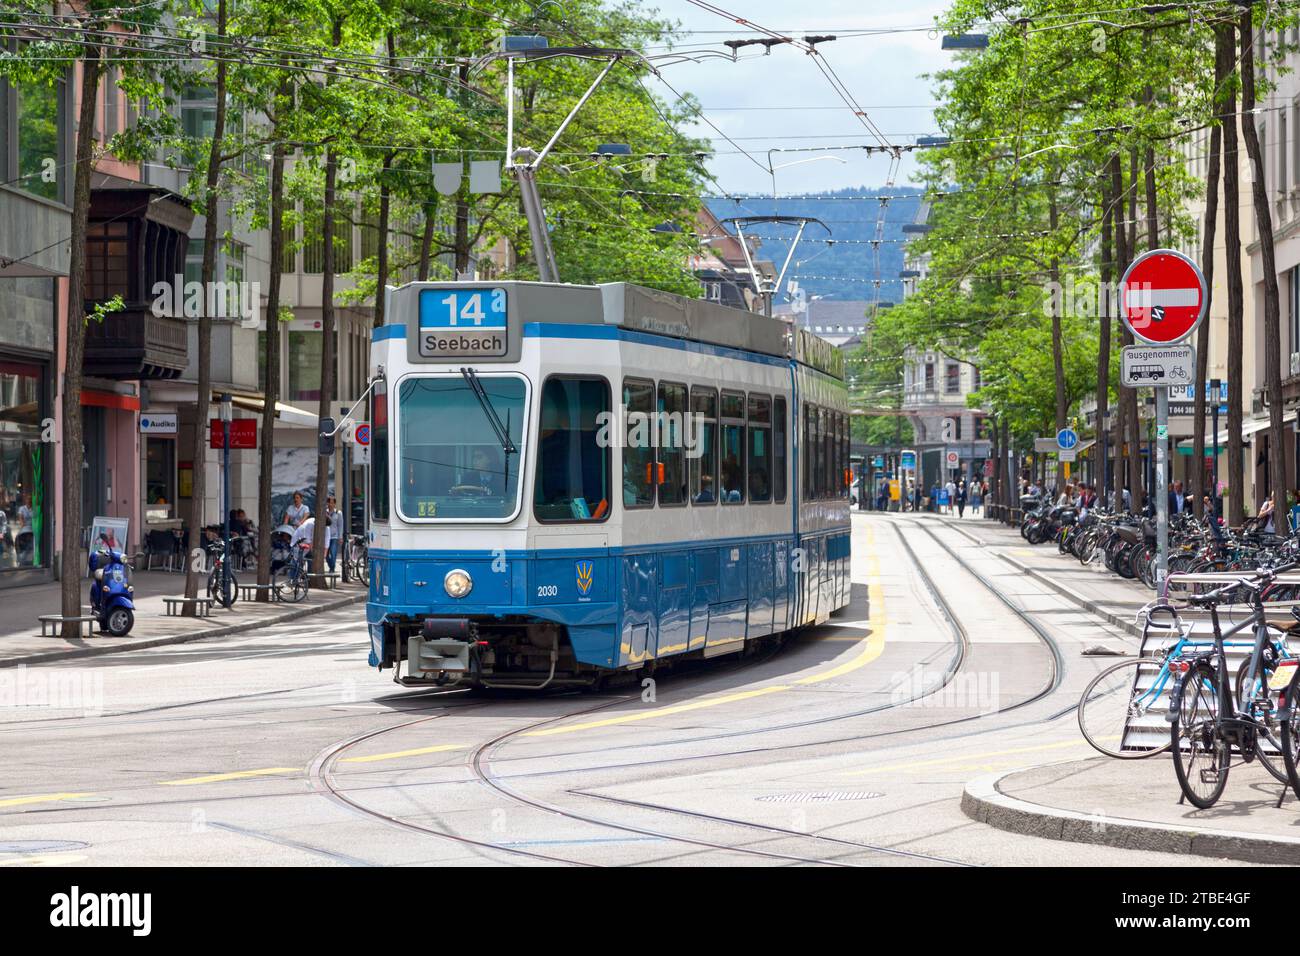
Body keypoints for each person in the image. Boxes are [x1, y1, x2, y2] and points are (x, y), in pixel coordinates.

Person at [324, 495, 343, 572]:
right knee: (327, 555)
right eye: (329, 502)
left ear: (335, 504)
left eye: (332, 503)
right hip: (326, 536)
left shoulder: (338, 513)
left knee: (333, 552)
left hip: (334, 536)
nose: (330, 504)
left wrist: (340, 537)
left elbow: (340, 525)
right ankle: (331, 565)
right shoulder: (325, 512)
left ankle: (332, 568)